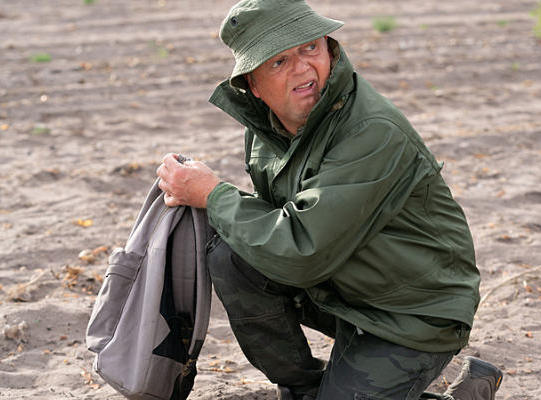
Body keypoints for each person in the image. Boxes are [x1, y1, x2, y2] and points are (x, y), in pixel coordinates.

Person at [156, 0, 503, 398]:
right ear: (252, 83)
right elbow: (280, 227)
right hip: (344, 286)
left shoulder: (371, 130)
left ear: (330, 49)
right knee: (232, 255)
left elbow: (302, 251)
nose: (303, 67)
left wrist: (213, 194)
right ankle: (305, 389)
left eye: (310, 48)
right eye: (278, 61)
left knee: (237, 226)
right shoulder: (266, 126)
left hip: (412, 312)